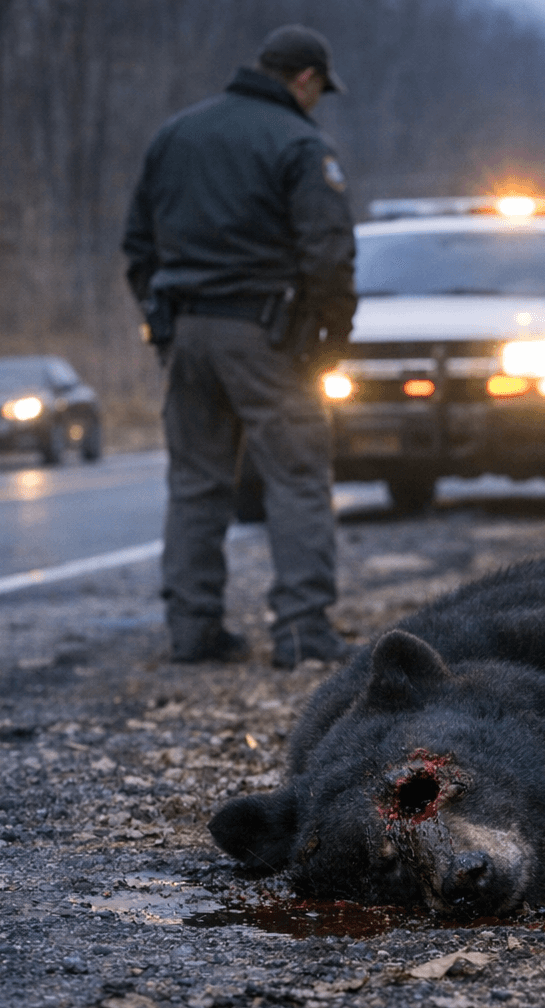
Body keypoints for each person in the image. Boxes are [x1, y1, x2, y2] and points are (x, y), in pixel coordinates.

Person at [122, 25, 360, 669]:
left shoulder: (176, 134)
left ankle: (193, 630)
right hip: (264, 333)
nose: (318, 102)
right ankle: (302, 631)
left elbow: (137, 244)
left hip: (186, 331)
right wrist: (329, 340)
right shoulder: (300, 144)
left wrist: (163, 315)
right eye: (319, 90)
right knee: (296, 476)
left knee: (196, 484)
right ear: (305, 78)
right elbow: (330, 255)